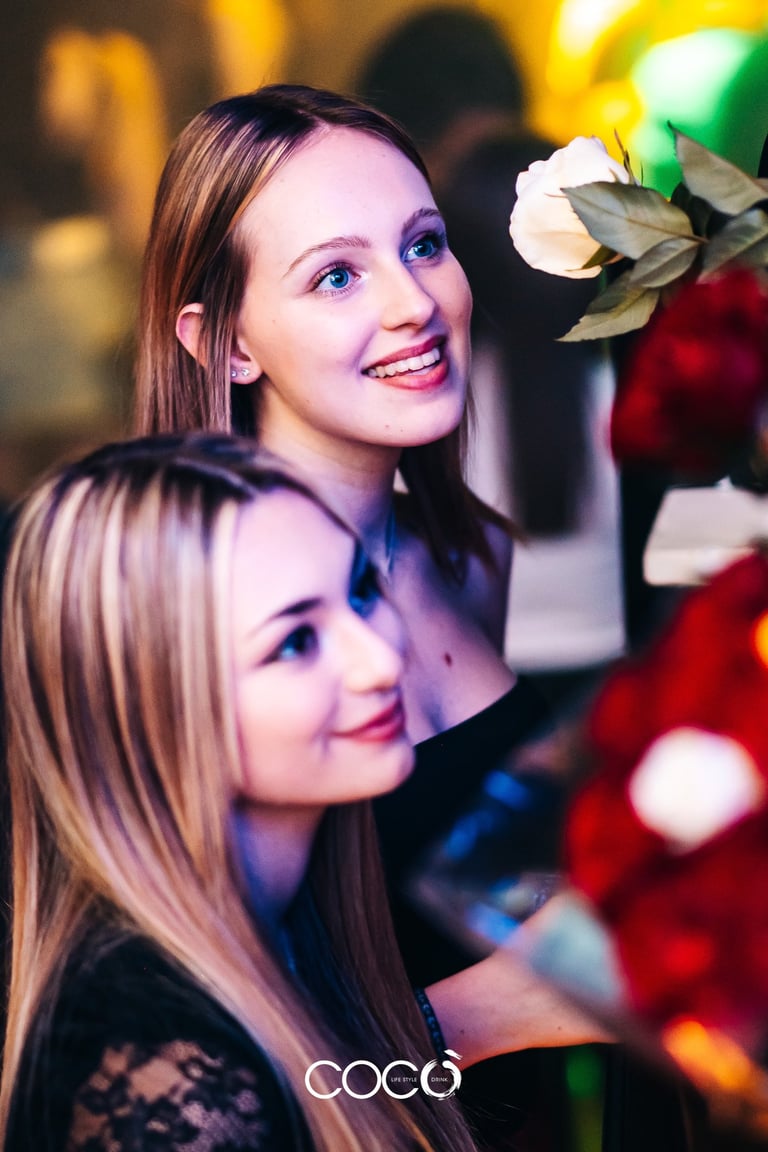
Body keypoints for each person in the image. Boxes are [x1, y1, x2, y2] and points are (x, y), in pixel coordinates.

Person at [132, 85, 581, 1146]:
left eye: (423, 245)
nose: (413, 303)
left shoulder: (469, 554)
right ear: (225, 345)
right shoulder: (187, 635)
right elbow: (177, 1097)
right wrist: (483, 1017)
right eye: (337, 275)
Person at [0, 433, 603, 1152]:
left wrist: (488, 1014)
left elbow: (309, 1100)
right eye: (294, 643)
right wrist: (486, 1014)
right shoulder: (159, 1076)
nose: (381, 659)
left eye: (360, 591)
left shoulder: (282, 909)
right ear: (150, 714)